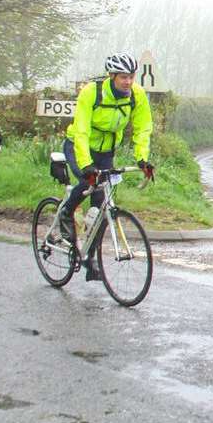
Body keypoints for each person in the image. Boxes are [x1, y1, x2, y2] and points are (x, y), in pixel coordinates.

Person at [49, 54, 154, 279]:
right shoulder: (92, 92)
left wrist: (142, 159)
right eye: (123, 77)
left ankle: (90, 258)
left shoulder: (137, 95)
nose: (128, 82)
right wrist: (86, 164)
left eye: (131, 77)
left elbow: (142, 128)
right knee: (90, 183)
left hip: (107, 151)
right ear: (112, 76)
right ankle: (66, 212)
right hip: (79, 146)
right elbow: (81, 131)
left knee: (100, 205)